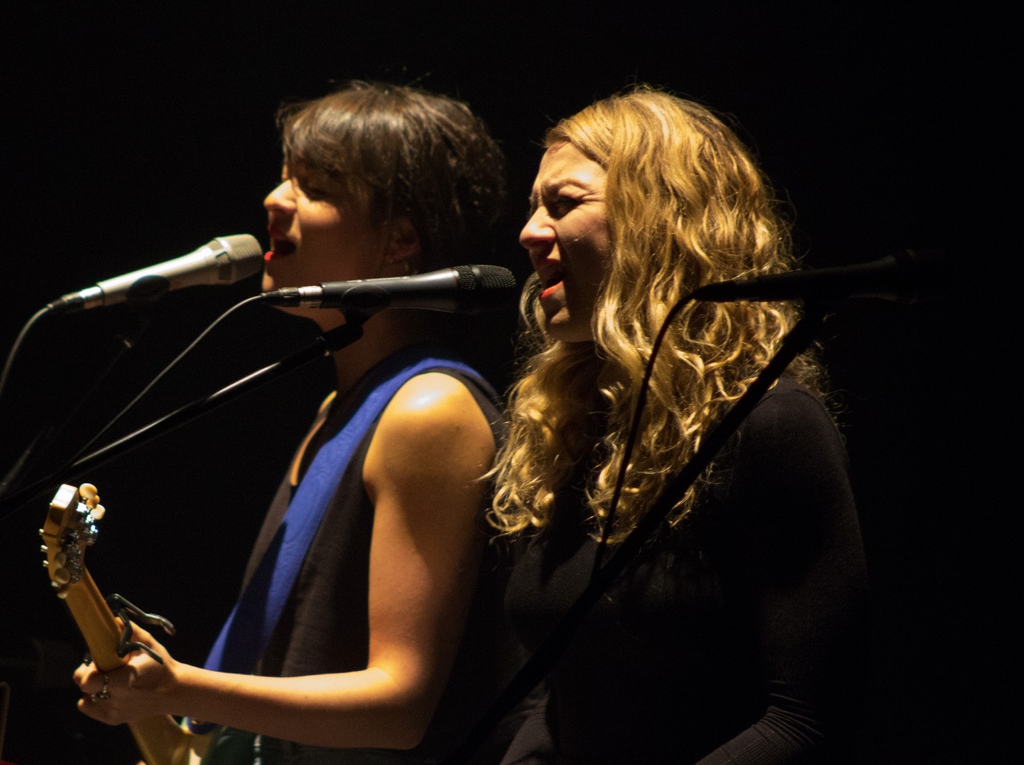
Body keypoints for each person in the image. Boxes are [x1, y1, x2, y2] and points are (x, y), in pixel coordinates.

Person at [73, 81, 526, 763]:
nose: (274, 200)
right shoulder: (339, 408)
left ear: (401, 237)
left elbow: (399, 705)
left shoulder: (429, 412)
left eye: (315, 188)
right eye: (285, 177)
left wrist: (180, 690)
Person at [488, 85, 869, 763]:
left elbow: (804, 718)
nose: (528, 233)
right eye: (532, 208)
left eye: (563, 203)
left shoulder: (773, 426)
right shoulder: (572, 435)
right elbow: (555, 697)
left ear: (656, 220)